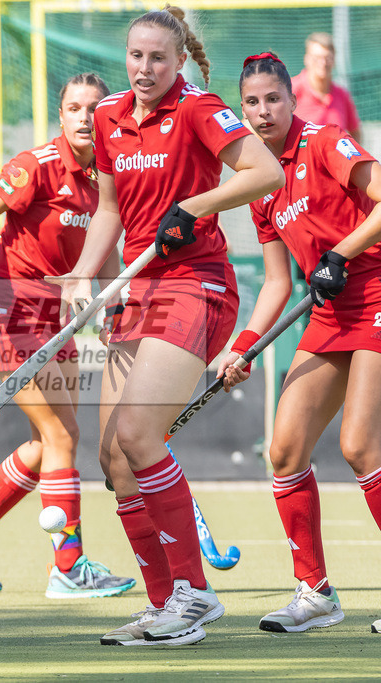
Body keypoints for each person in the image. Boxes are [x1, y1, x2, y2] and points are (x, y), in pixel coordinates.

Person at [50, 6, 284, 646]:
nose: (145, 68)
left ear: (178, 60)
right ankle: (165, 605)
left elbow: (268, 172)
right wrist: (82, 273)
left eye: (158, 57)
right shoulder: (107, 118)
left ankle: (196, 595)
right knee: (113, 458)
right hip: (138, 288)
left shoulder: (201, 109)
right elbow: (107, 209)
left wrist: (195, 205)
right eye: (136, 56)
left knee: (138, 431)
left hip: (196, 283)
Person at [0, 73, 135, 599]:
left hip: (57, 317)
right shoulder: (35, 166)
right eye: (74, 108)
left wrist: (113, 302)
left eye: (95, 108)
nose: (85, 117)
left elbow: (106, 244)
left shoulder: (105, 176)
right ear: (60, 115)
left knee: (50, 440)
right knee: (62, 437)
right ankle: (68, 568)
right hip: (9, 312)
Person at [220, 52, 381, 635]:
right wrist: (244, 343)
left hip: (376, 291)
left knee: (361, 446)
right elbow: (279, 281)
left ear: (292, 100)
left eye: (273, 99)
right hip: (329, 311)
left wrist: (340, 253)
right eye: (252, 103)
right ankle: (314, 592)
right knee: (285, 451)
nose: (263, 112)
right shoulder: (259, 183)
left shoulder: (325, 142)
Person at [291, 33, 361, 142]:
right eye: (317, 58)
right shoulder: (290, 90)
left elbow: (356, 132)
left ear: (334, 60)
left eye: (327, 58)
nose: (323, 63)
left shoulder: (342, 95)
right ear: (306, 59)